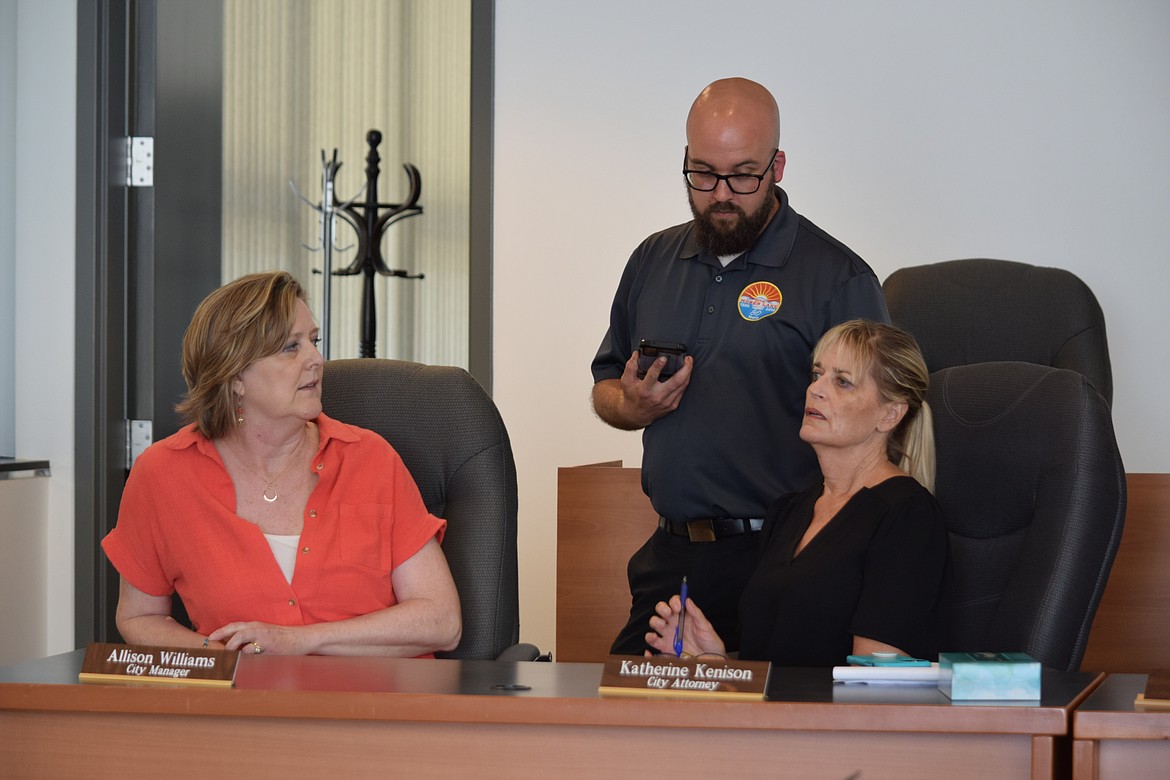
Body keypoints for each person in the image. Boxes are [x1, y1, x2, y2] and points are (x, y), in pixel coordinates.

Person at [592, 77, 890, 655]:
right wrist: (629, 405)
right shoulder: (653, 260)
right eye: (702, 174)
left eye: (743, 175)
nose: (721, 193)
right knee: (626, 727)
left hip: (783, 557)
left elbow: (879, 436)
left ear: (778, 166)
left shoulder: (838, 279)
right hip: (671, 560)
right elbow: (606, 386)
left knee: (763, 737)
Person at [102, 271, 462, 657]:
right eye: (291, 347)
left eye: (314, 341)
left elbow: (441, 622)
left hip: (376, 706)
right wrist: (224, 656)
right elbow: (139, 618)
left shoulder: (370, 458)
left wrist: (300, 642)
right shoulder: (163, 473)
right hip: (244, 709)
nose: (316, 359)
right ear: (235, 374)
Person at [645, 320, 948, 665]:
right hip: (775, 718)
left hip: (834, 719)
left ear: (890, 414)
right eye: (817, 374)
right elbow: (776, 664)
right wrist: (718, 662)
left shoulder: (907, 515)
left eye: (843, 382)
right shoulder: (788, 511)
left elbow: (878, 687)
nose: (816, 389)